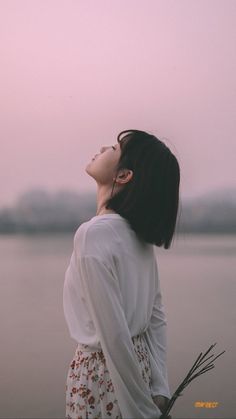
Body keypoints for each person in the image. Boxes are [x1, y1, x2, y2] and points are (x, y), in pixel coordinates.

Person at [63, 129, 180, 418]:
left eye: (115, 148)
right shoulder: (137, 237)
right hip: (138, 370)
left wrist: (141, 411)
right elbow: (156, 318)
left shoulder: (93, 234)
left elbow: (113, 336)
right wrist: (160, 387)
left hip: (105, 375)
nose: (103, 146)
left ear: (124, 175)